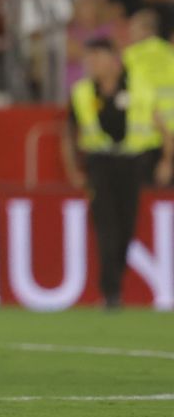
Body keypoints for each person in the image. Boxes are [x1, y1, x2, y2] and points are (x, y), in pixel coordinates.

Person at [62, 39, 173, 309]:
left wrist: (167, 161)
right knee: (106, 227)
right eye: (90, 59)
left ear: (114, 59)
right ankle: (111, 293)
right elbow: (68, 133)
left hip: (132, 164)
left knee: (126, 227)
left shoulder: (139, 88)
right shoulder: (83, 92)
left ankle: (115, 283)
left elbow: (162, 127)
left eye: (98, 58)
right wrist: (73, 170)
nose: (93, 64)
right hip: (100, 164)